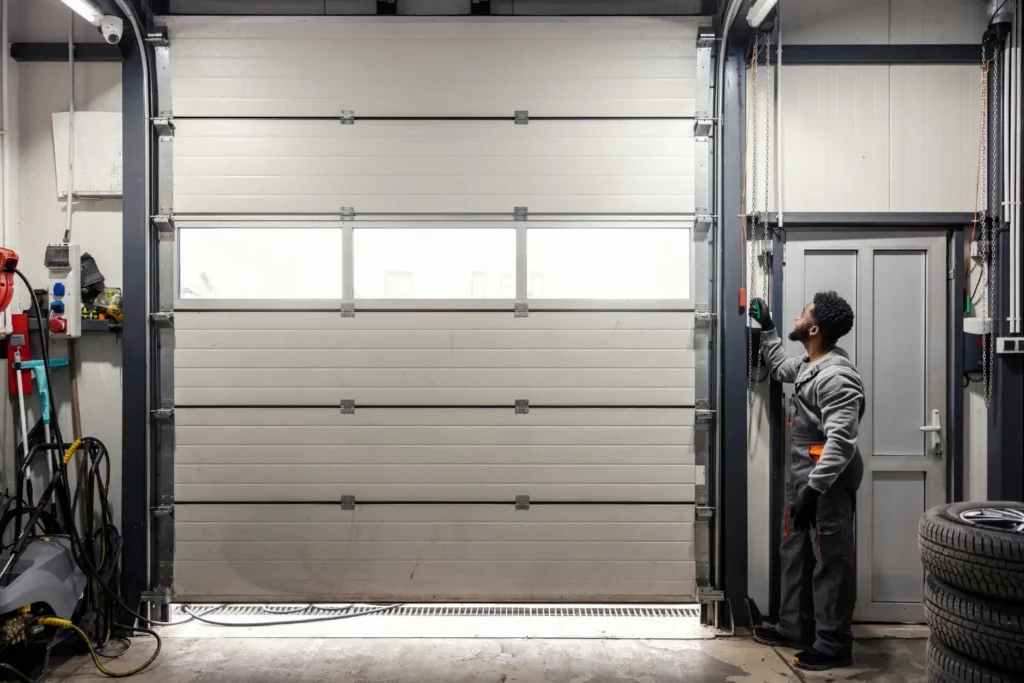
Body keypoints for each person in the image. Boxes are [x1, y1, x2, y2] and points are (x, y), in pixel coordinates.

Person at [748, 291, 865, 672]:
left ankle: (833, 645)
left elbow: (842, 442)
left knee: (831, 560)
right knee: (794, 550)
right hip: (803, 477)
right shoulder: (810, 363)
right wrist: (768, 328)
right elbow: (782, 368)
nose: (797, 316)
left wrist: (814, 491)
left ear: (813, 328)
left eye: (802, 314)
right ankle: (793, 626)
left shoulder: (837, 378)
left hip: (825, 484)